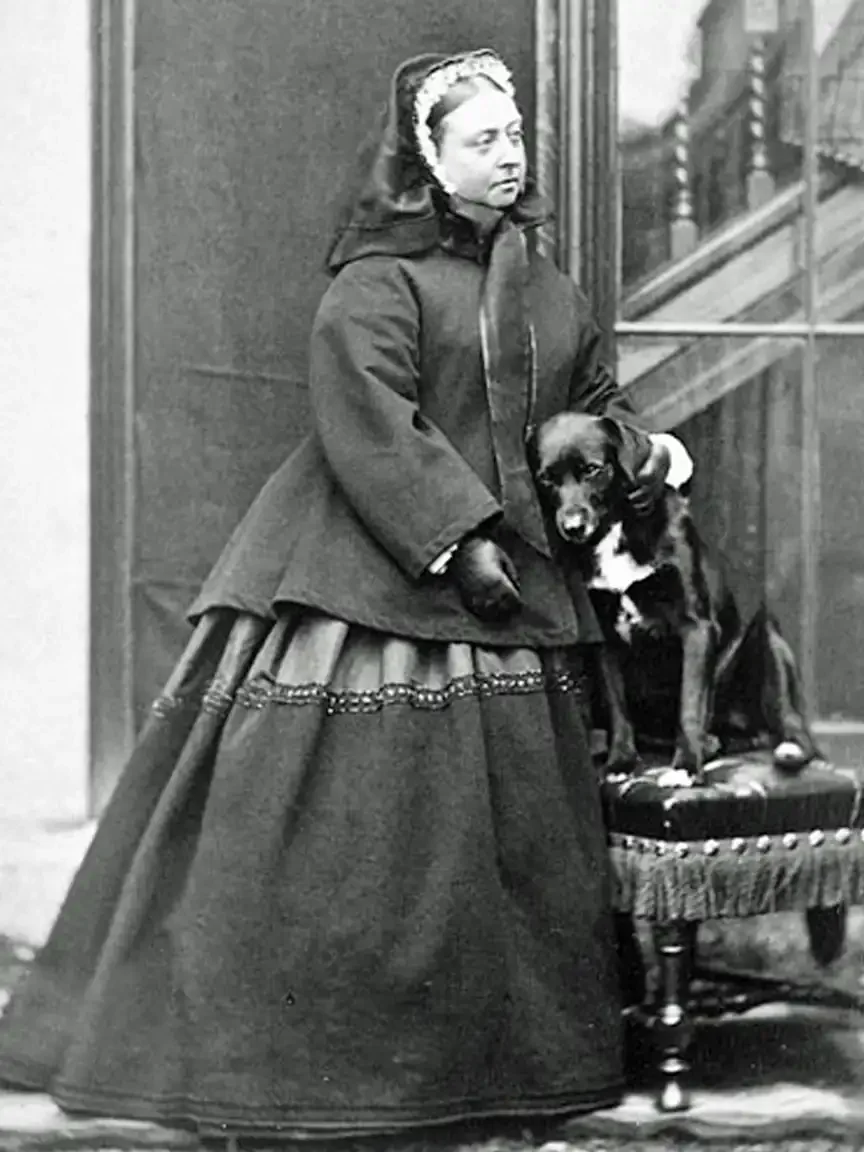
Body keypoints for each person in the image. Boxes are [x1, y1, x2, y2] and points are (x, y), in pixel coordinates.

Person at [0, 50, 693, 1141]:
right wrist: (455, 539)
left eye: (516, 139)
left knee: (511, 843)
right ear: (428, 157)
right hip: (370, 572)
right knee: (351, 833)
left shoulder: (550, 290)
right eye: (482, 141)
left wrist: (646, 450)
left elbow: (592, 399)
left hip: (522, 588)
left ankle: (492, 1070)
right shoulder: (378, 280)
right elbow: (366, 411)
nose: (508, 158)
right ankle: (325, 1077)